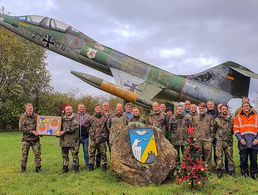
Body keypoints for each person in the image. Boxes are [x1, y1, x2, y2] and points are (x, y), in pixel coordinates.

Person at [233, 102, 257, 180]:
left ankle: (254, 174)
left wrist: (257, 139)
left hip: (254, 142)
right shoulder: (238, 117)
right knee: (243, 159)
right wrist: (240, 139)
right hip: (243, 141)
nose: (246, 107)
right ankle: (244, 173)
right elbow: (236, 129)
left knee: (253, 159)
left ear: (250, 107)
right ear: (242, 107)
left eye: (247, 106)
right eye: (244, 106)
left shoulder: (256, 116)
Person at [19, 103, 41, 173]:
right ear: (26, 109)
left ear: (33, 109)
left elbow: (42, 125)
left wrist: (42, 132)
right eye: (28, 109)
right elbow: (21, 128)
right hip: (26, 139)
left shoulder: (37, 116)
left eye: (31, 109)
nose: (30, 110)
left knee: (38, 154)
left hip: (35, 139)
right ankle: (23, 169)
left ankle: (38, 168)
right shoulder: (23, 117)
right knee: (24, 155)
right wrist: (31, 132)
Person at [192, 103, 214, 170]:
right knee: (198, 155)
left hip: (207, 140)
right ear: (198, 109)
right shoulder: (195, 118)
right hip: (198, 140)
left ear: (205, 109)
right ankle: (199, 169)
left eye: (203, 108)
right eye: (200, 108)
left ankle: (207, 169)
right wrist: (194, 138)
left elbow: (212, 128)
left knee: (208, 155)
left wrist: (211, 138)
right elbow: (192, 128)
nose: (201, 110)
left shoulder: (210, 117)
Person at [214, 105, 235, 178]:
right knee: (219, 157)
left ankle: (231, 171)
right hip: (219, 141)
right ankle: (219, 170)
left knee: (230, 157)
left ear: (227, 110)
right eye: (223, 109)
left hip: (228, 141)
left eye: (225, 109)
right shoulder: (217, 119)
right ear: (220, 110)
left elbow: (233, 130)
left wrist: (229, 135)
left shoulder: (232, 119)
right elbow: (214, 129)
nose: (224, 110)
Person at [59, 104, 80, 173]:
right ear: (65, 110)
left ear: (72, 110)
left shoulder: (76, 117)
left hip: (73, 140)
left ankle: (76, 169)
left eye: (69, 109)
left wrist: (64, 131)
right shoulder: (62, 118)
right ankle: (65, 169)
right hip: (64, 141)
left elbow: (74, 127)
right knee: (64, 156)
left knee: (75, 156)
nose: (68, 111)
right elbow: (58, 127)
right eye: (67, 110)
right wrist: (56, 132)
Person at [88, 104, 108, 172]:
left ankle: (104, 166)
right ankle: (91, 165)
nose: (98, 109)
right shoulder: (91, 118)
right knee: (92, 152)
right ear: (95, 109)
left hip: (102, 138)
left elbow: (107, 126)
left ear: (101, 109)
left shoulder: (105, 117)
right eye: (97, 108)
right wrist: (91, 134)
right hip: (93, 138)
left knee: (103, 153)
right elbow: (88, 126)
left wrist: (104, 135)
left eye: (99, 108)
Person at [95, 101, 112, 167]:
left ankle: (112, 163)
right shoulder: (100, 114)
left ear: (108, 106)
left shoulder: (112, 115)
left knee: (111, 149)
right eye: (104, 105)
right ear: (102, 107)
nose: (106, 106)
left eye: (107, 105)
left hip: (110, 135)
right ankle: (98, 163)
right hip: (101, 135)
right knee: (100, 150)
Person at [77, 103, 91, 170]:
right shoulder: (75, 116)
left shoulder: (88, 116)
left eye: (82, 107)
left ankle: (87, 164)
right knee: (76, 152)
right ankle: (77, 165)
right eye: (80, 107)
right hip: (76, 137)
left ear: (84, 108)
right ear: (78, 108)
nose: (81, 109)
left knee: (86, 151)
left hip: (85, 137)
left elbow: (91, 125)